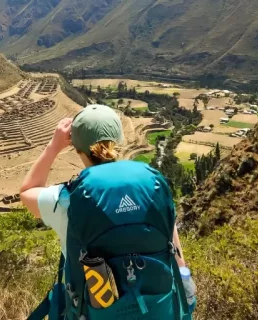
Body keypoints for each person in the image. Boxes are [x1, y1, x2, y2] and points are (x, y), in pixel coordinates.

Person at [21, 105, 195, 320]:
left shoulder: (68, 198)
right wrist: (185, 285)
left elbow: (27, 191)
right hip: (160, 310)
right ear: (118, 142)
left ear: (75, 147)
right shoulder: (153, 186)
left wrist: (54, 146)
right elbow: (175, 251)